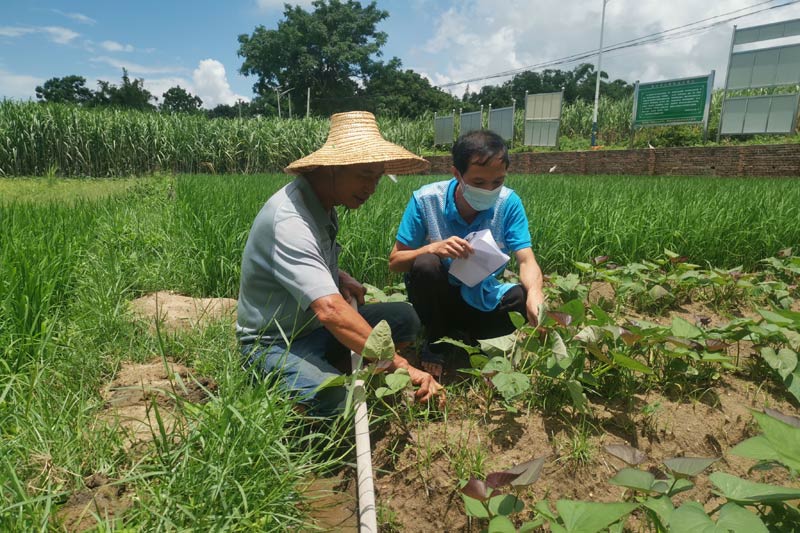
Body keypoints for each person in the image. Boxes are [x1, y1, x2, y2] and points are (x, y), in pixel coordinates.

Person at [237, 111, 443, 417]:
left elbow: (309, 265)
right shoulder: (290, 219)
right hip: (275, 342)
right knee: (337, 402)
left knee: (403, 317)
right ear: (333, 167)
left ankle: (338, 366)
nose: (372, 188)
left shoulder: (325, 205)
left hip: (315, 328)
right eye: (364, 174)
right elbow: (330, 310)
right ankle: (307, 382)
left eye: (377, 177)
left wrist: (337, 274)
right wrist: (400, 365)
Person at [388, 129, 545, 379]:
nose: (489, 190)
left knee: (520, 296)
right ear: (457, 174)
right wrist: (432, 247)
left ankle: (464, 336)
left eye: (498, 182)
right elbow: (395, 262)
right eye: (479, 182)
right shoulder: (427, 200)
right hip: (437, 294)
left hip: (478, 294)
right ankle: (436, 338)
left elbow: (526, 259)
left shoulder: (508, 203)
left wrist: (535, 294)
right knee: (426, 264)